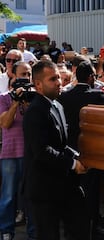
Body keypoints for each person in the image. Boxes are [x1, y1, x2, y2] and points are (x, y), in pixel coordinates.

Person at [22, 60, 89, 240]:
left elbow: (61, 144)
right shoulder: (35, 111)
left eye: (59, 77)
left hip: (63, 185)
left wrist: (78, 157)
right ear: (38, 84)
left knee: (79, 227)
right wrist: (73, 164)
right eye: (53, 79)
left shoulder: (57, 105)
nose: (59, 82)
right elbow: (42, 151)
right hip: (44, 190)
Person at [57, 60, 104, 240]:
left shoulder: (64, 97)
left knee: (70, 194)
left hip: (69, 151)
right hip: (91, 152)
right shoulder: (98, 97)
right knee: (91, 194)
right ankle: (92, 231)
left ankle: (71, 231)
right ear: (91, 77)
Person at [0, 61, 36, 240]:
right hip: (10, 153)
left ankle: (33, 231)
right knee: (8, 195)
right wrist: (15, 102)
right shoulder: (4, 97)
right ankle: (6, 230)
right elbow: (5, 123)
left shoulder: (34, 98)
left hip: (30, 153)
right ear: (13, 76)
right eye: (22, 74)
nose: (26, 78)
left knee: (31, 194)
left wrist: (28, 104)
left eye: (28, 74)